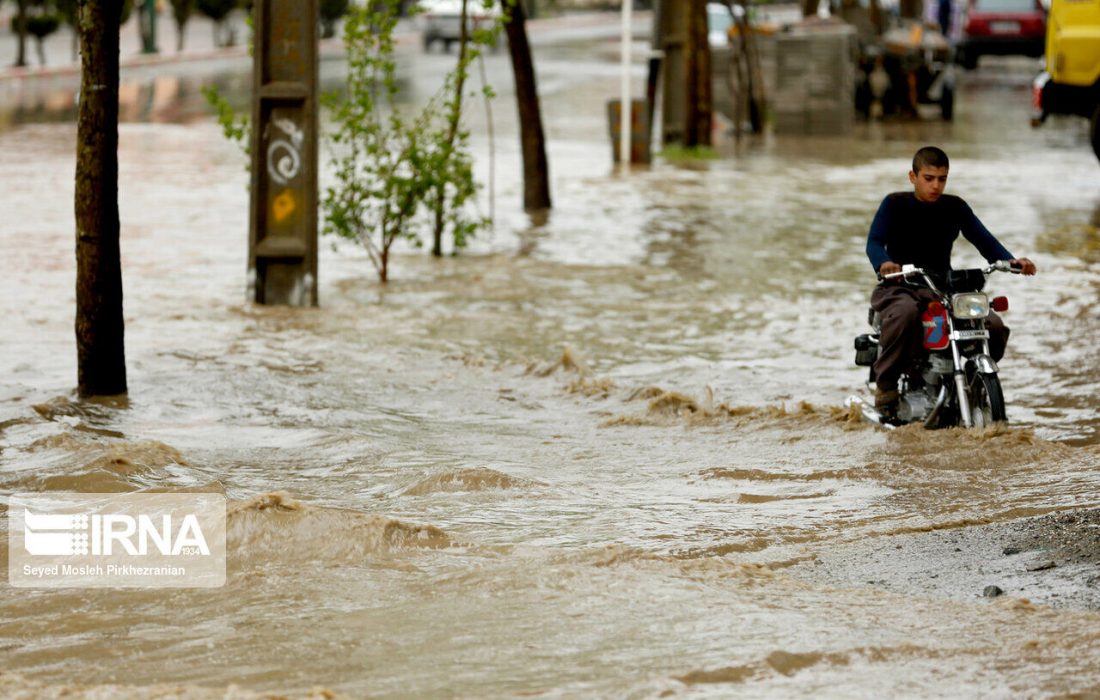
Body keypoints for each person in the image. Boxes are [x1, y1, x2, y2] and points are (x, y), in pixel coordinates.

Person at [865, 146, 1037, 418]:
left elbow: (985, 240)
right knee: (906, 315)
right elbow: (874, 242)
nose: (936, 185)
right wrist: (884, 263)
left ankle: (971, 376)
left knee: (992, 324)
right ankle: (885, 388)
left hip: (942, 286)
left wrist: (1011, 261)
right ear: (913, 177)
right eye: (929, 178)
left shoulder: (954, 207)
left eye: (942, 179)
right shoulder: (894, 204)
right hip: (900, 284)